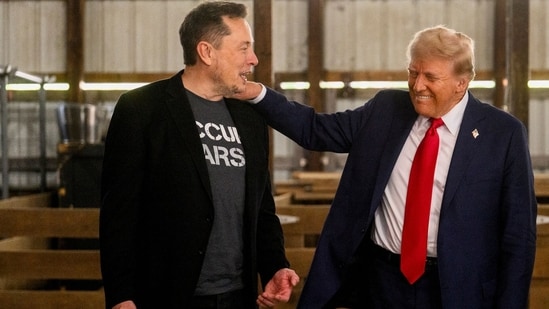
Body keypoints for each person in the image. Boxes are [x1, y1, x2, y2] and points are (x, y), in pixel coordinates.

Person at [235, 25, 537, 308]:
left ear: (462, 82)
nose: (418, 86)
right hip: (381, 282)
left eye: (431, 77)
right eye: (413, 72)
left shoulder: (502, 133)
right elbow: (315, 129)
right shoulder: (386, 110)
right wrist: (257, 94)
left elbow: (518, 235)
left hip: (458, 290)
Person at [99, 2, 299, 309]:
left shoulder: (250, 117)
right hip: (166, 294)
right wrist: (120, 296)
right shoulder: (142, 110)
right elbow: (119, 214)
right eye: (243, 48)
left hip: (237, 296)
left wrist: (275, 266)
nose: (253, 59)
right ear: (206, 52)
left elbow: (262, 207)